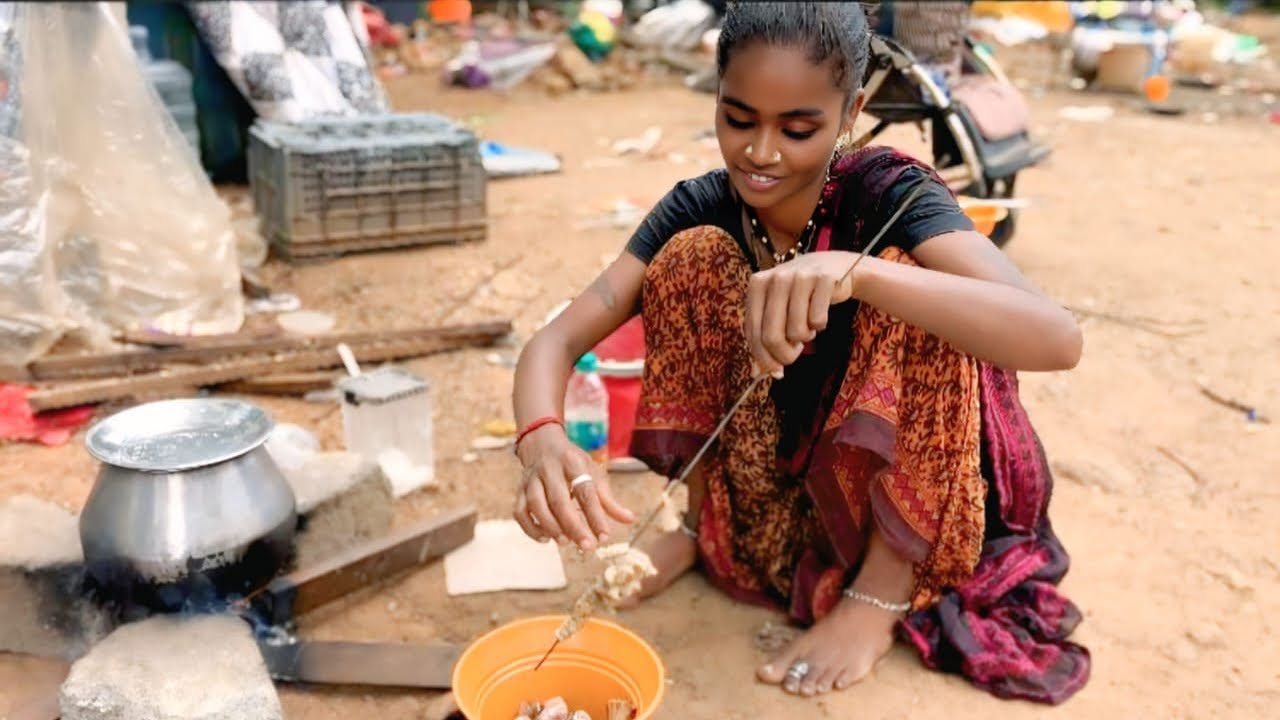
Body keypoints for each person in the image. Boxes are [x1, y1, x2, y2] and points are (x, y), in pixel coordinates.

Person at [511, 2, 1090, 705]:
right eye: (739, 119)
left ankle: (878, 596)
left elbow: (1057, 337)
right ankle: (706, 528)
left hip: (900, 495)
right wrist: (541, 439)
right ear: (717, 97)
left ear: (851, 113)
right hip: (782, 489)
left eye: (797, 129)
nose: (761, 152)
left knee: (912, 278)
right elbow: (556, 340)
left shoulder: (889, 195)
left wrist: (860, 272)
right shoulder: (701, 206)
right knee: (691, 259)